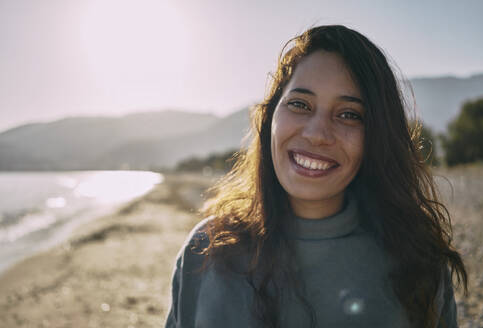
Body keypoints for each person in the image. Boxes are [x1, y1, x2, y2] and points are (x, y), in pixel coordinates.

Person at [164, 25, 467, 328]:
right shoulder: (207, 251)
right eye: (300, 104)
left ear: (377, 136)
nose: (317, 134)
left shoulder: (416, 261)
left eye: (349, 114)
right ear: (271, 117)